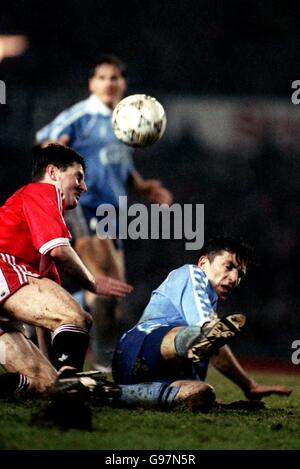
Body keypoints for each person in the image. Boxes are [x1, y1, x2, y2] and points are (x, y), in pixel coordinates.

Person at [35, 54, 173, 372]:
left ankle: (49, 313)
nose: (109, 83)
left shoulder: (125, 118)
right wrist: (58, 152)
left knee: (112, 297)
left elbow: (119, 166)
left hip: (114, 216)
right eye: (102, 77)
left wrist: (143, 188)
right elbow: (44, 143)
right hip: (85, 208)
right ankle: (102, 361)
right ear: (91, 83)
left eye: (115, 78)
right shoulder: (82, 115)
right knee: (105, 287)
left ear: (123, 83)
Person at [0, 143, 132, 394]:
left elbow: (45, 321)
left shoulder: (37, 259)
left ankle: (63, 390)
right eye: (78, 176)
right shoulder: (42, 192)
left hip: (6, 291)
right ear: (53, 173)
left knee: (43, 381)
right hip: (2, 268)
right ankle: (70, 398)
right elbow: (60, 251)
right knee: (78, 318)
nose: (83, 186)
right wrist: (93, 282)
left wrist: (58, 371)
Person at [111, 236, 292, 410]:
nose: (234, 278)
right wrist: (211, 332)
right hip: (137, 351)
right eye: (229, 266)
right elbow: (208, 333)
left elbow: (215, 343)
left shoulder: (208, 306)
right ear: (203, 263)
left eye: (240, 274)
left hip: (154, 377)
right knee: (205, 332)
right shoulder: (192, 273)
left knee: (202, 393)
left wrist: (249, 386)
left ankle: (113, 393)